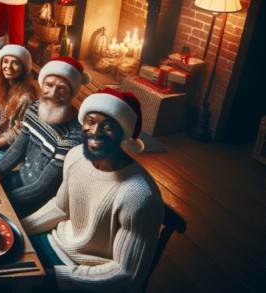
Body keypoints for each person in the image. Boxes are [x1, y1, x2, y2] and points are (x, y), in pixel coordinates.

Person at [22, 88, 164, 291]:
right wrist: (19, 228)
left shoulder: (139, 195)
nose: (95, 131)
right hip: (57, 242)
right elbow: (61, 208)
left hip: (87, 272)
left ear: (124, 134)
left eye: (108, 126)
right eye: (90, 121)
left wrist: (56, 277)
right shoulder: (75, 156)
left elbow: (127, 273)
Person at [0, 56, 89, 217]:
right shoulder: (36, 107)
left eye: (62, 88)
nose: (53, 93)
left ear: (72, 93)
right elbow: (17, 149)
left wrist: (3, 200)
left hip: (37, 202)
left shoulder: (74, 134)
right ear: (42, 84)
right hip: (19, 180)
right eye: (49, 85)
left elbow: (43, 189)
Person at [0, 45, 40, 164]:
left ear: (23, 68)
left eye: (15, 63)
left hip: (11, 146)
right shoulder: (6, 85)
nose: (8, 67)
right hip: (0, 131)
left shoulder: (26, 98)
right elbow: (4, 112)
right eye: (5, 61)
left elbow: (15, 136)